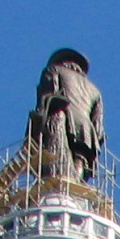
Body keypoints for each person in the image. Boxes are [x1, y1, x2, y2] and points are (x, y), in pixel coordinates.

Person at [28, 49, 104, 182]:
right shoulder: (95, 90)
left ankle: (59, 178)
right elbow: (98, 126)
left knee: (56, 154)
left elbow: (49, 93)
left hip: (62, 118)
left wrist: (37, 122)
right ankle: (77, 180)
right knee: (80, 157)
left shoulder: (53, 70)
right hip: (86, 128)